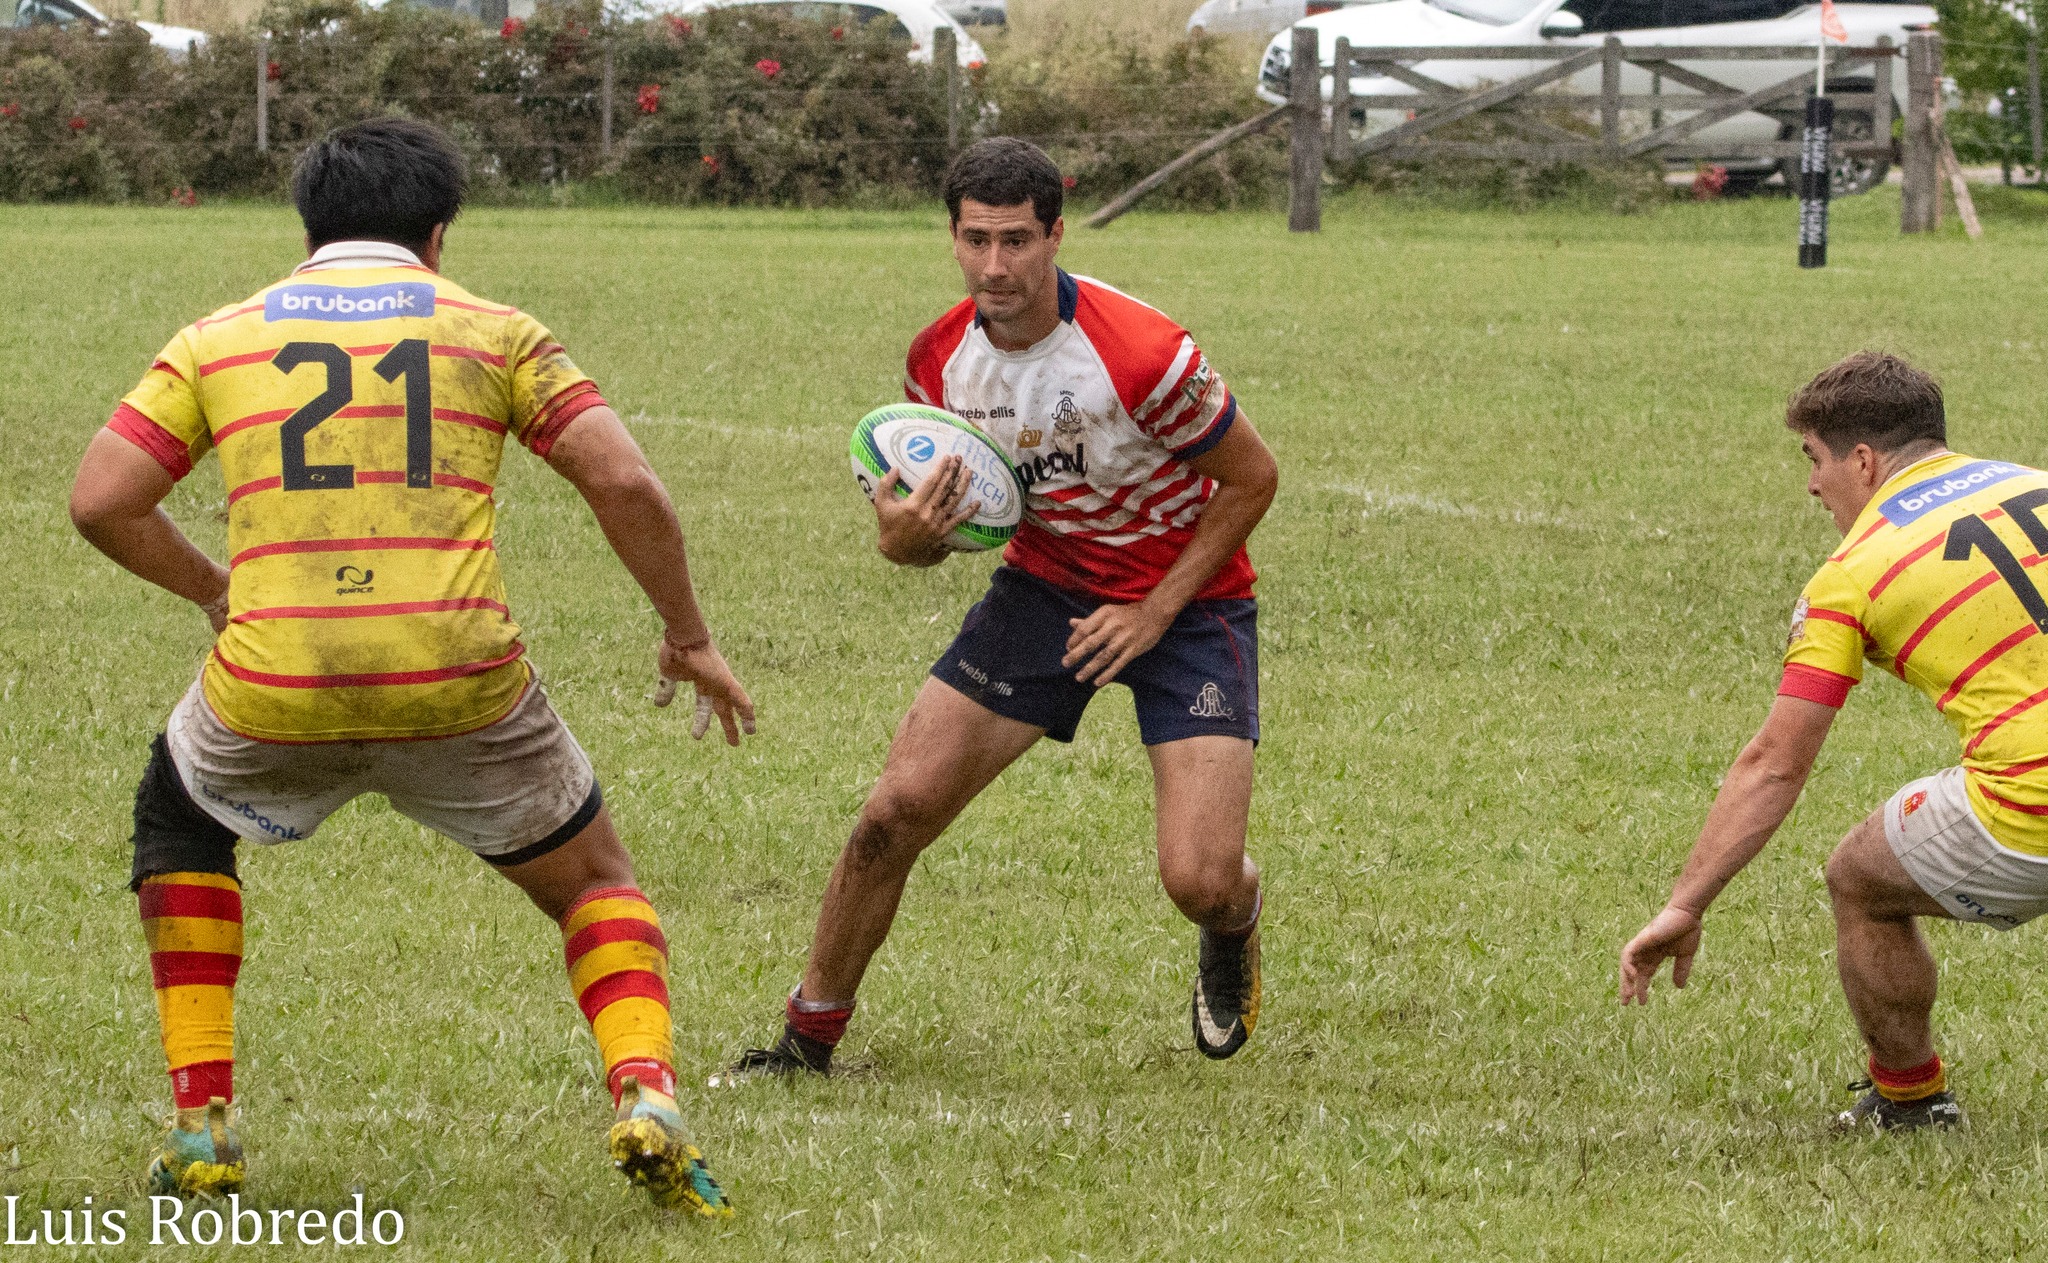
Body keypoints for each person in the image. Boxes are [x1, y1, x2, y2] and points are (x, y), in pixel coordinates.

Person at [68, 118, 755, 1214]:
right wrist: (687, 634)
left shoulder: (216, 338)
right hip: (459, 681)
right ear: (437, 237)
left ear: (308, 229)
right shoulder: (497, 331)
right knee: (595, 885)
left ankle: (201, 1124)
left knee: (179, 820)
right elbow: (627, 486)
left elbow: (102, 500)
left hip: (275, 684)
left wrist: (216, 592)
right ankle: (648, 1093)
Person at [733, 138, 1279, 1076]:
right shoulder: (939, 361)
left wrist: (1150, 612)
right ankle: (805, 1038)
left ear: (1056, 234)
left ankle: (1235, 921)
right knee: (892, 813)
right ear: (951, 237)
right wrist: (905, 539)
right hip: (1045, 589)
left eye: (1018, 240)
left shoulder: (1141, 352)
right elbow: (920, 528)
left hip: (1189, 605)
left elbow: (1253, 478)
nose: (997, 266)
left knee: (1198, 877)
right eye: (977, 239)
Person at [1616, 351, 2048, 1130]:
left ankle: (1911, 1101)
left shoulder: (1850, 574)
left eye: (1814, 460)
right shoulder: (2030, 479)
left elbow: (1776, 763)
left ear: (1863, 459)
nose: (1812, 485)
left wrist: (1686, 903)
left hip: (2033, 807)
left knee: (1860, 877)